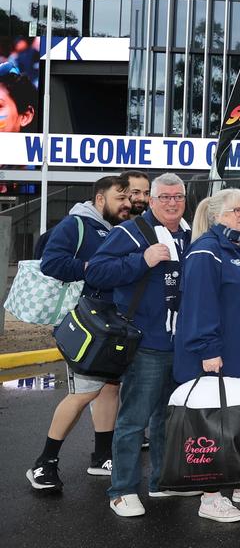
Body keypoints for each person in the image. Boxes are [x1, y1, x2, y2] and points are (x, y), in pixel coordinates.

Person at [85, 173, 191, 518]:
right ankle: (123, 490)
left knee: (167, 419)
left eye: (178, 197)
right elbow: (96, 272)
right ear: (152, 200)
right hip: (145, 342)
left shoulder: (192, 235)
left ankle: (161, 481)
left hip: (181, 344)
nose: (172, 203)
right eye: (165, 198)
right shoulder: (129, 232)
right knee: (133, 421)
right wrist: (141, 260)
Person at [177, 189, 240, 522]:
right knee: (215, 427)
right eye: (237, 210)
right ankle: (210, 497)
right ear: (217, 215)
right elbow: (198, 305)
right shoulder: (206, 252)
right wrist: (208, 350)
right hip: (219, 356)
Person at [25, 175, 131, 491]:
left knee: (110, 389)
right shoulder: (76, 225)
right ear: (100, 198)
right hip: (85, 326)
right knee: (83, 393)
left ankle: (100, 457)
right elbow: (52, 263)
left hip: (113, 326)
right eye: (120, 197)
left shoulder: (118, 230)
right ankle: (44, 463)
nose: (127, 204)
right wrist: (89, 268)